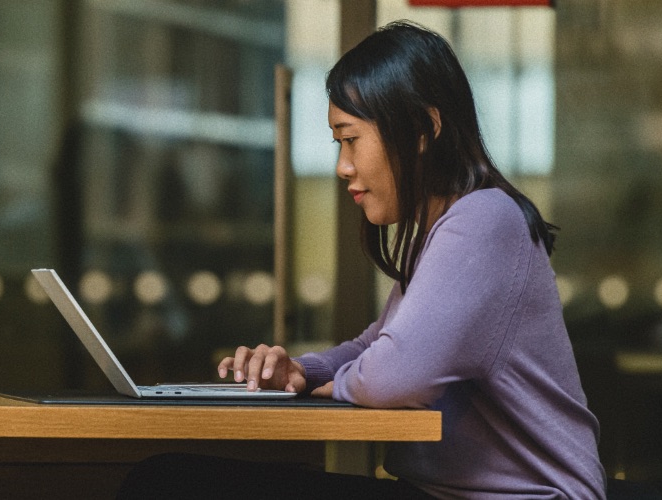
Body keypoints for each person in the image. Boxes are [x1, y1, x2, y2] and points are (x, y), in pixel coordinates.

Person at [117, 21, 606, 499]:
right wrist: (301, 373)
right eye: (338, 144)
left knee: (166, 483)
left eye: (350, 139)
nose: (342, 167)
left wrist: (332, 386)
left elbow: (398, 373)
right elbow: (376, 347)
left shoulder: (484, 220)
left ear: (421, 129)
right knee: (169, 478)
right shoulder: (450, 228)